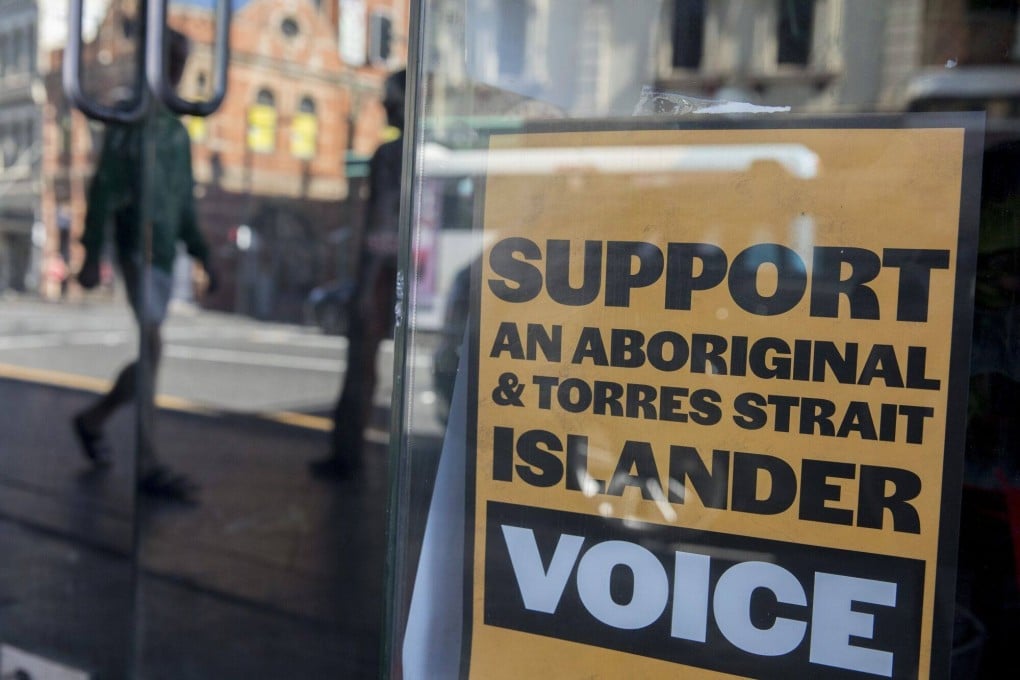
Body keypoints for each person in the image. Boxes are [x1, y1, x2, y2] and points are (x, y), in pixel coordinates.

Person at [73, 30, 216, 499]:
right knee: (152, 346)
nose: (175, 69)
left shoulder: (175, 132)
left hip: (164, 255)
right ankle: (148, 463)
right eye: (169, 59)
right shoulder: (130, 120)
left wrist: (203, 255)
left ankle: (93, 420)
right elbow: (105, 189)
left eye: (180, 60)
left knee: (152, 353)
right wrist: (92, 253)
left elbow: (185, 206)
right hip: (136, 248)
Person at [311, 69, 406, 479]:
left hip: (385, 275)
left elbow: (381, 230)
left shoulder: (390, 156)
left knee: (361, 366)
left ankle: (346, 454)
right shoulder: (435, 151)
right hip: (418, 274)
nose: (383, 105)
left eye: (390, 97)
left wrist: (365, 289)